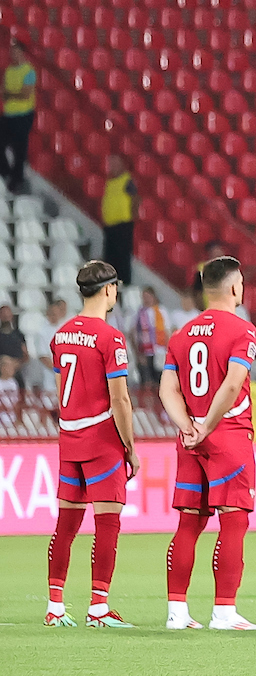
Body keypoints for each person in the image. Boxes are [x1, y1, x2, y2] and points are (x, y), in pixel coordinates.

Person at [158, 255, 256, 630]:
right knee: (233, 523)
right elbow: (233, 384)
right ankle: (224, 611)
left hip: (189, 439)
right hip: (228, 435)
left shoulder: (181, 334)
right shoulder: (242, 331)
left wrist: (188, 426)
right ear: (236, 288)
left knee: (189, 523)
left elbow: (166, 389)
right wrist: (207, 426)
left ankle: (177, 612)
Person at [42, 260, 134, 627]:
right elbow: (120, 400)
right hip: (101, 439)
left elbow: (61, 386)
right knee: (107, 522)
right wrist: (130, 447)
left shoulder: (60, 334)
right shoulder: (110, 338)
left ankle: (55, 606)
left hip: (69, 438)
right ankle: (98, 606)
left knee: (66, 523)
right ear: (109, 290)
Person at [1, 40, 35, 193]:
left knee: (19, 149)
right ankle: (6, 172)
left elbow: (26, 94)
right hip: (8, 114)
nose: (13, 54)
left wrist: (9, 94)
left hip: (23, 115)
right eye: (11, 52)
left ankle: (17, 179)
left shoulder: (29, 71)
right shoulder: (9, 70)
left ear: (22, 53)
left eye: (16, 51)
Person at [99, 153, 134, 280]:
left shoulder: (127, 180)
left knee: (121, 259)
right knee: (110, 258)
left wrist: (131, 216)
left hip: (122, 225)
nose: (112, 166)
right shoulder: (110, 182)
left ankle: (123, 282)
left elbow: (136, 199)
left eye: (115, 163)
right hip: (110, 226)